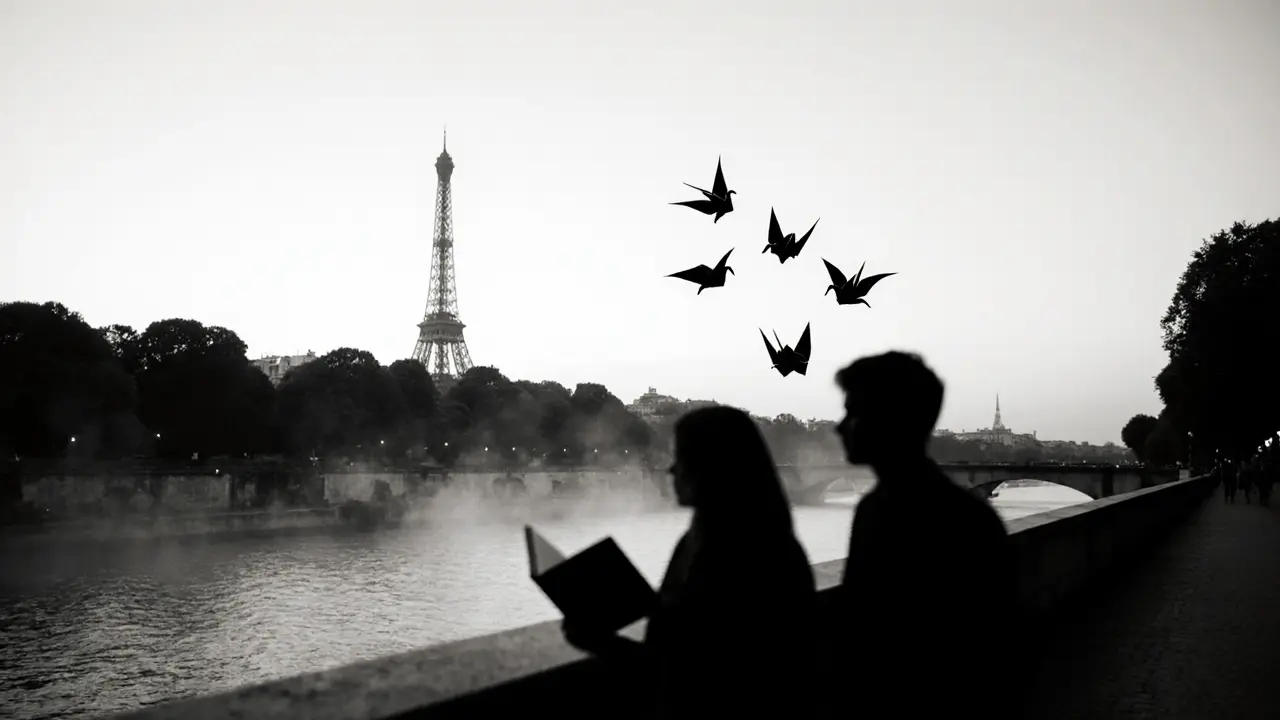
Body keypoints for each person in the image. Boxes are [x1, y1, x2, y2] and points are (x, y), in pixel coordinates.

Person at [561, 405, 819, 719]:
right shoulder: (752, 542)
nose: (672, 470)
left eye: (681, 457)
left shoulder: (733, 554)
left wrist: (602, 642)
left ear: (713, 466)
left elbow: (687, 671)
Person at [830, 351, 1019, 718]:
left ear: (888, 420)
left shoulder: (887, 512)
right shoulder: (967, 516)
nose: (840, 428)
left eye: (852, 412)